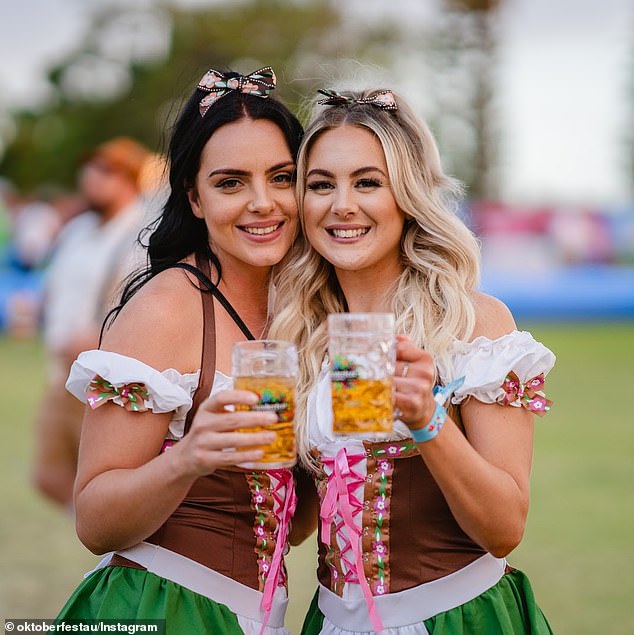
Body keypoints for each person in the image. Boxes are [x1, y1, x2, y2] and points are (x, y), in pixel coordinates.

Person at [270, 88, 556, 634]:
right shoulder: (300, 336)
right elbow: (305, 521)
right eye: (321, 184)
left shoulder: (474, 325)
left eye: (368, 182)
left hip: (455, 618)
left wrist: (428, 421)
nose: (342, 205)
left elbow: (503, 528)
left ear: (408, 196)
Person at [56, 66, 306, 634]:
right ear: (194, 198)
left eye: (282, 176)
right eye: (230, 182)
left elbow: (284, 524)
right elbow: (95, 521)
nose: (262, 202)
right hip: (160, 608)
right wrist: (189, 458)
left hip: (255, 617)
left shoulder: (301, 311)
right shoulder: (167, 308)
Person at [32, 136, 151, 508]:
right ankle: (99, 534)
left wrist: (96, 337)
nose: (92, 177)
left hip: (100, 375)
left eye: (107, 170)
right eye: (92, 167)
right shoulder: (78, 229)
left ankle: (111, 538)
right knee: (48, 475)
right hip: (60, 368)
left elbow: (135, 302)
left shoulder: (142, 233)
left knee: (101, 477)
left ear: (130, 179)